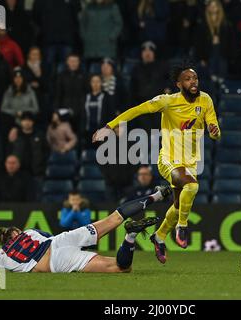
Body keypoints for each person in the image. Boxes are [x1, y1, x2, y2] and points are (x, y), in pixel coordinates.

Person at [93, 63, 221, 263]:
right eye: (187, 79)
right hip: (168, 160)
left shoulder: (206, 100)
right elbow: (137, 110)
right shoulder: (167, 101)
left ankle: (159, 237)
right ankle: (182, 227)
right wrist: (109, 126)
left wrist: (214, 131)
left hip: (190, 163)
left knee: (179, 205)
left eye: (195, 78)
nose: (193, 82)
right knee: (192, 186)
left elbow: (214, 128)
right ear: (179, 83)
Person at [0, 185, 171, 273]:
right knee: (114, 217)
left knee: (120, 268)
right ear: (16, 232)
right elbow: (49, 236)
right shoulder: (30, 231)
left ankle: (131, 236)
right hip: (59, 241)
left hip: (55, 260)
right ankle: (157, 195)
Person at [9, 112, 48, 197]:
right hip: (19, 173)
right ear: (21, 122)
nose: (27, 122)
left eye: (29, 120)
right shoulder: (16, 135)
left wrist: (42, 167)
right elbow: (10, 152)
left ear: (33, 122)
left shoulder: (39, 135)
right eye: (24, 120)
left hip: (36, 173)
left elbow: (46, 152)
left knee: (37, 196)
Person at [195, 0, 234, 81]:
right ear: (208, 8)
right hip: (209, 53)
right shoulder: (203, 22)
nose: (213, 8)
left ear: (219, 7)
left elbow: (230, 41)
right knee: (211, 77)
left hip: (222, 53)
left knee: (222, 76)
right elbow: (199, 42)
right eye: (211, 6)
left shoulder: (225, 22)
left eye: (215, 5)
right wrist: (201, 58)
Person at [54, 54, 87, 133]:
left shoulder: (84, 75)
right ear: (67, 62)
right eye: (71, 61)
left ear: (79, 62)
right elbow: (58, 94)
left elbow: (86, 93)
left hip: (80, 111)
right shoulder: (61, 75)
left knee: (80, 135)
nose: (73, 63)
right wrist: (56, 111)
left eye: (75, 61)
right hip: (64, 110)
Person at [81, 74, 115, 148]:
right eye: (93, 81)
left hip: (102, 131)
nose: (95, 84)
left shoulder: (107, 97)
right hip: (87, 132)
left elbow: (111, 114)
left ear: (101, 83)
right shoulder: (85, 97)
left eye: (98, 81)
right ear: (90, 83)